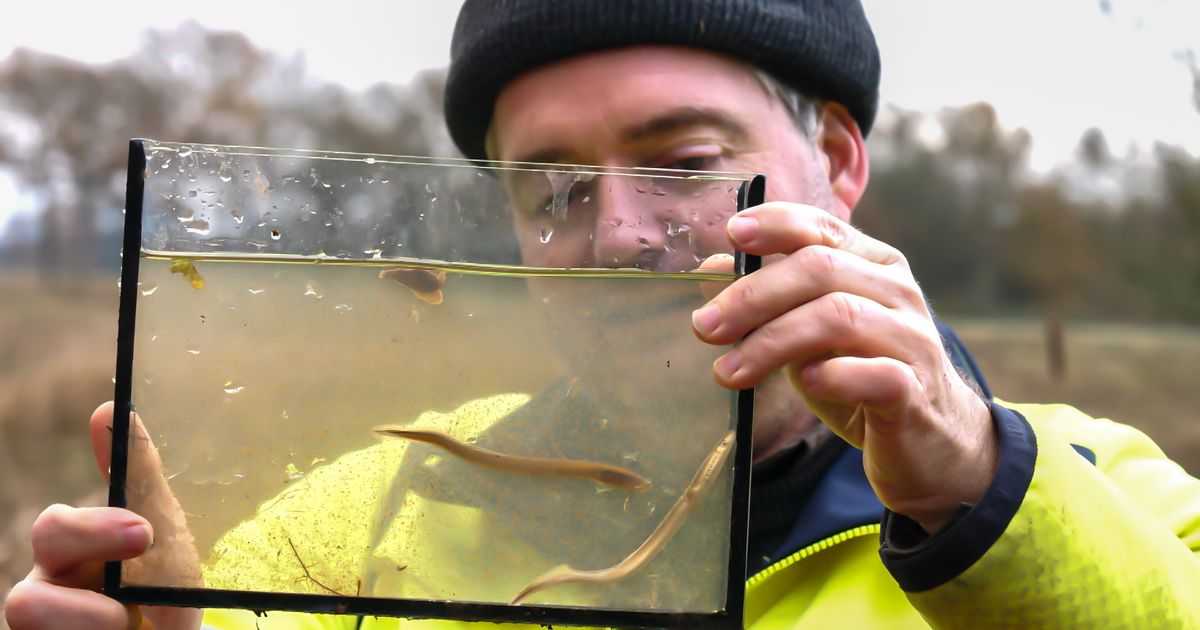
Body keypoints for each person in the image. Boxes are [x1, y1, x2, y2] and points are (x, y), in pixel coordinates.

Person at [7, 1, 1200, 628]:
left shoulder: (1115, 493)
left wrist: (982, 492)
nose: (622, 233)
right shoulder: (347, 540)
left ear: (838, 160)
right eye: (557, 190)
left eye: (683, 160)